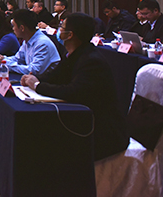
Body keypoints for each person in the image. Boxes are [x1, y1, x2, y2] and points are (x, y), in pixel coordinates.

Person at [21, 13, 129, 161]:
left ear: (70, 35)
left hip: (102, 131)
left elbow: (73, 91)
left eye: (62, 27)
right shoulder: (74, 54)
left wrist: (37, 85)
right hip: (84, 121)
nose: (59, 30)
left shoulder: (91, 60)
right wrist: (33, 79)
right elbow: (55, 76)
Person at [0, 9, 60, 75]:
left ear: (22, 28)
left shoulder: (42, 43)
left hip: (46, 81)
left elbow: (34, 70)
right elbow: (18, 59)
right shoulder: (27, 40)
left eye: (14, 26)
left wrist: (6, 63)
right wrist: (2, 59)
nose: (13, 29)